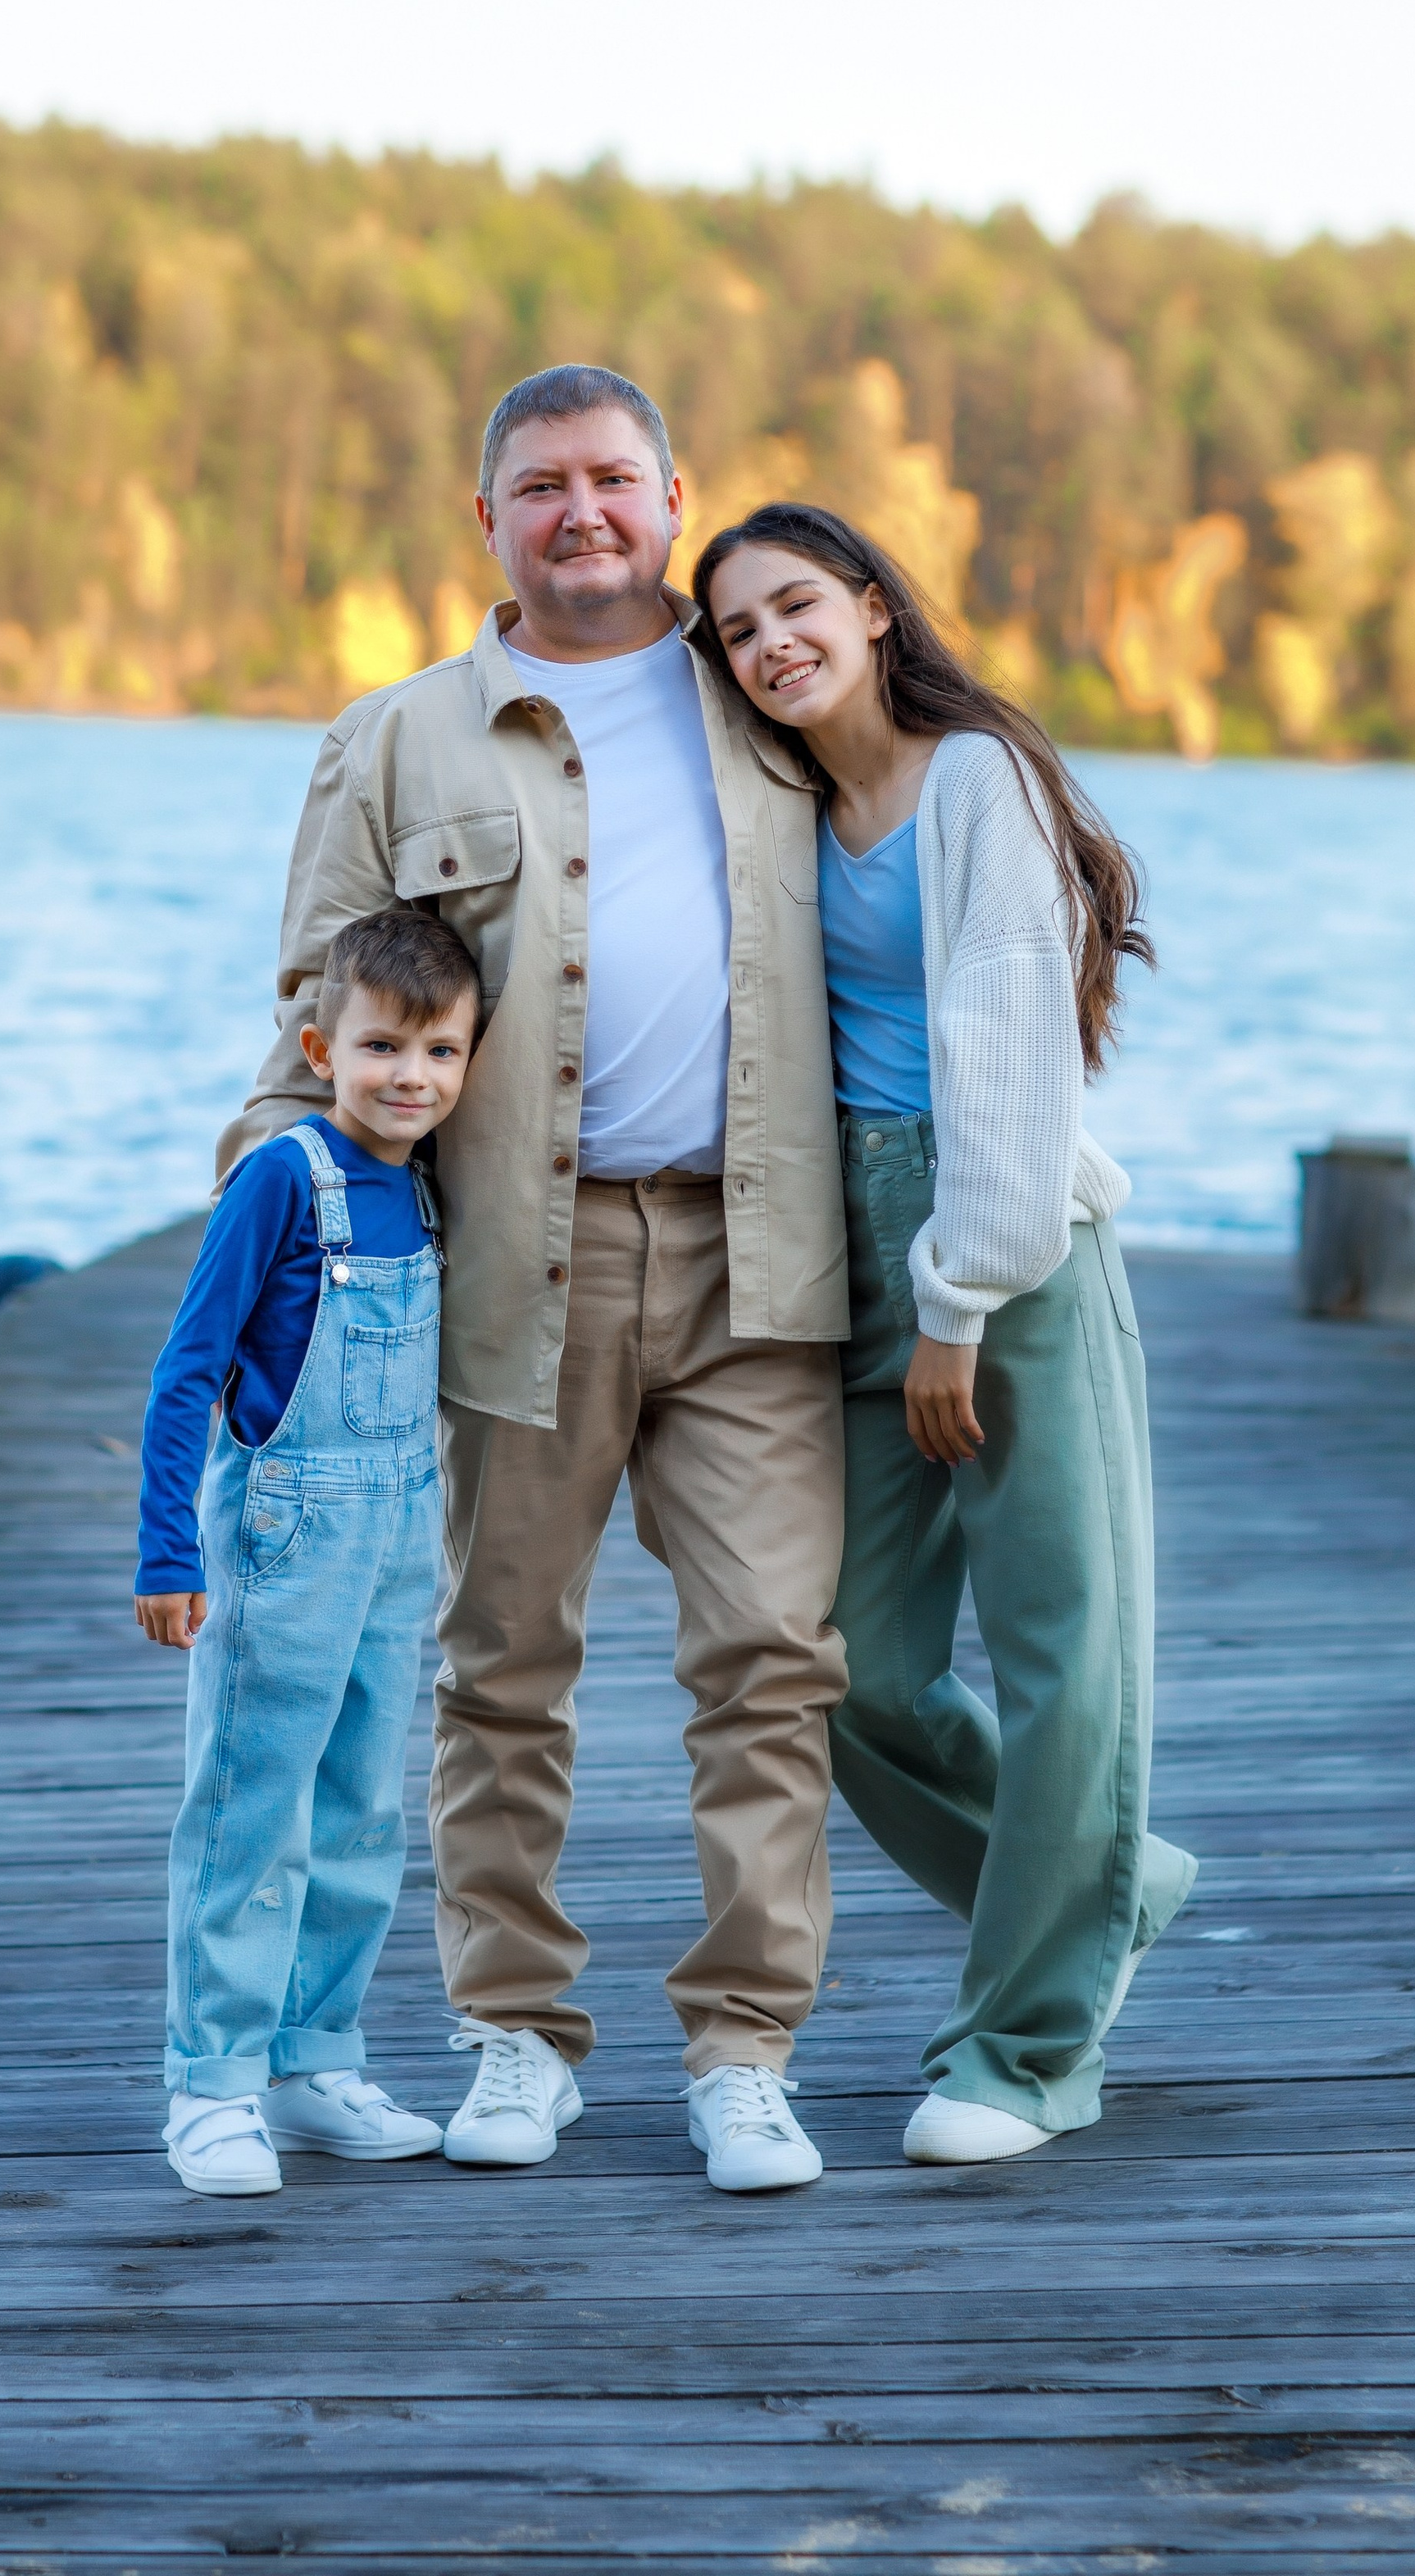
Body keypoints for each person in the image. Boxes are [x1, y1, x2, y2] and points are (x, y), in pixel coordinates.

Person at [217, 365, 849, 2192]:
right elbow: (307, 1013)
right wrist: (261, 1245)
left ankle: (744, 2052)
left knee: (768, 1665)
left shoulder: (771, 695)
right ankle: (513, 2034)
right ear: (482, 518)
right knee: (500, 1667)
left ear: (674, 497)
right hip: (502, 1266)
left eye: (614, 481)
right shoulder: (396, 736)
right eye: (540, 485)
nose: (582, 512)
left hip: (754, 1259)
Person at [695, 500, 1199, 2163]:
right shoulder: (789, 808)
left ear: (866, 601)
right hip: (847, 1240)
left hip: (1005, 1242)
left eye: (793, 606)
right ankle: (1102, 1882)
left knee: (1065, 1659)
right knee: (847, 1660)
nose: (771, 644)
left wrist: (959, 1303)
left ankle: (1027, 2052)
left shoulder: (973, 779)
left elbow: (1005, 1051)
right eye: (737, 631)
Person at [134, 905, 480, 2195]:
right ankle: (210, 2081)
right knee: (248, 1808)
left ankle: (312, 2057)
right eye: (386, 1046)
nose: (414, 1078)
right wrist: (171, 1552)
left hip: (396, 1538)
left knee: (359, 1811)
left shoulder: (425, 1186)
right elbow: (187, 1371)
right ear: (320, 1046)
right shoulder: (285, 1175)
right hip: (282, 1539)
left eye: (442, 1053)